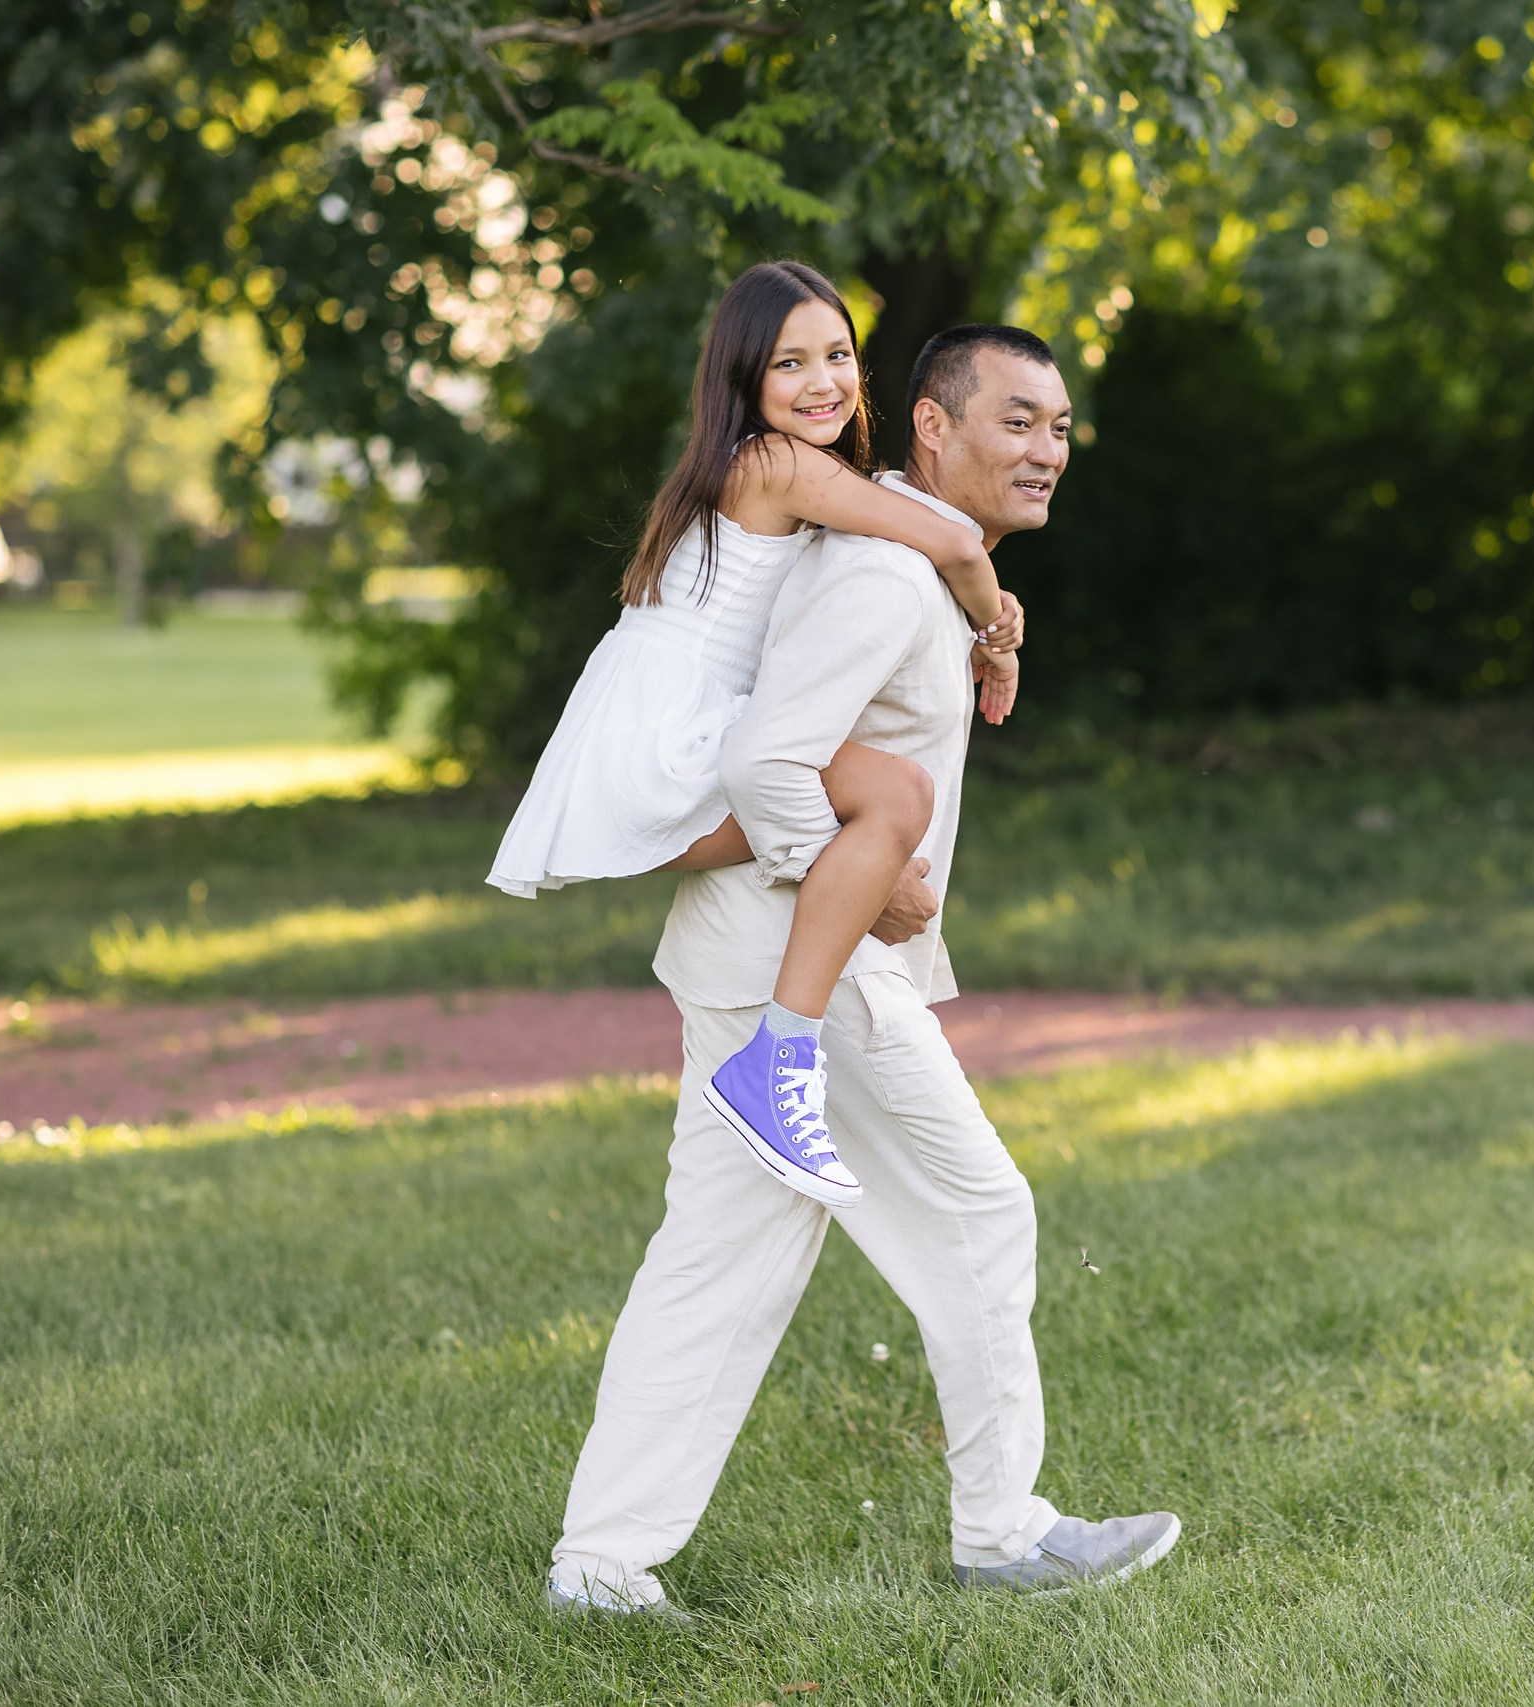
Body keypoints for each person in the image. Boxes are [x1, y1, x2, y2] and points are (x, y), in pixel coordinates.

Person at [546, 324, 1180, 1618]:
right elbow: (771, 758)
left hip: (752, 955)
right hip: (812, 969)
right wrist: (880, 876)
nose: (1046, 448)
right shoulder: (887, 574)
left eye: (1059, 426)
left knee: (718, 1260)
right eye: (1017, 420)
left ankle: (600, 1565)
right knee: (980, 1214)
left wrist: (989, 615)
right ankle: (1003, 1533)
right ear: (933, 429)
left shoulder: (911, 562)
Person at [487, 261, 1024, 1207]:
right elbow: (952, 541)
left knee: (880, 816)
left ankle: (786, 1045)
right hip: (672, 741)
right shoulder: (778, 465)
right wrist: (999, 637)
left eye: (839, 356)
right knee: (896, 795)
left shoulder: (744, 467)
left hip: (642, 738)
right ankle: (780, 1058)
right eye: (789, 363)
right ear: (744, 379)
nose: (823, 382)